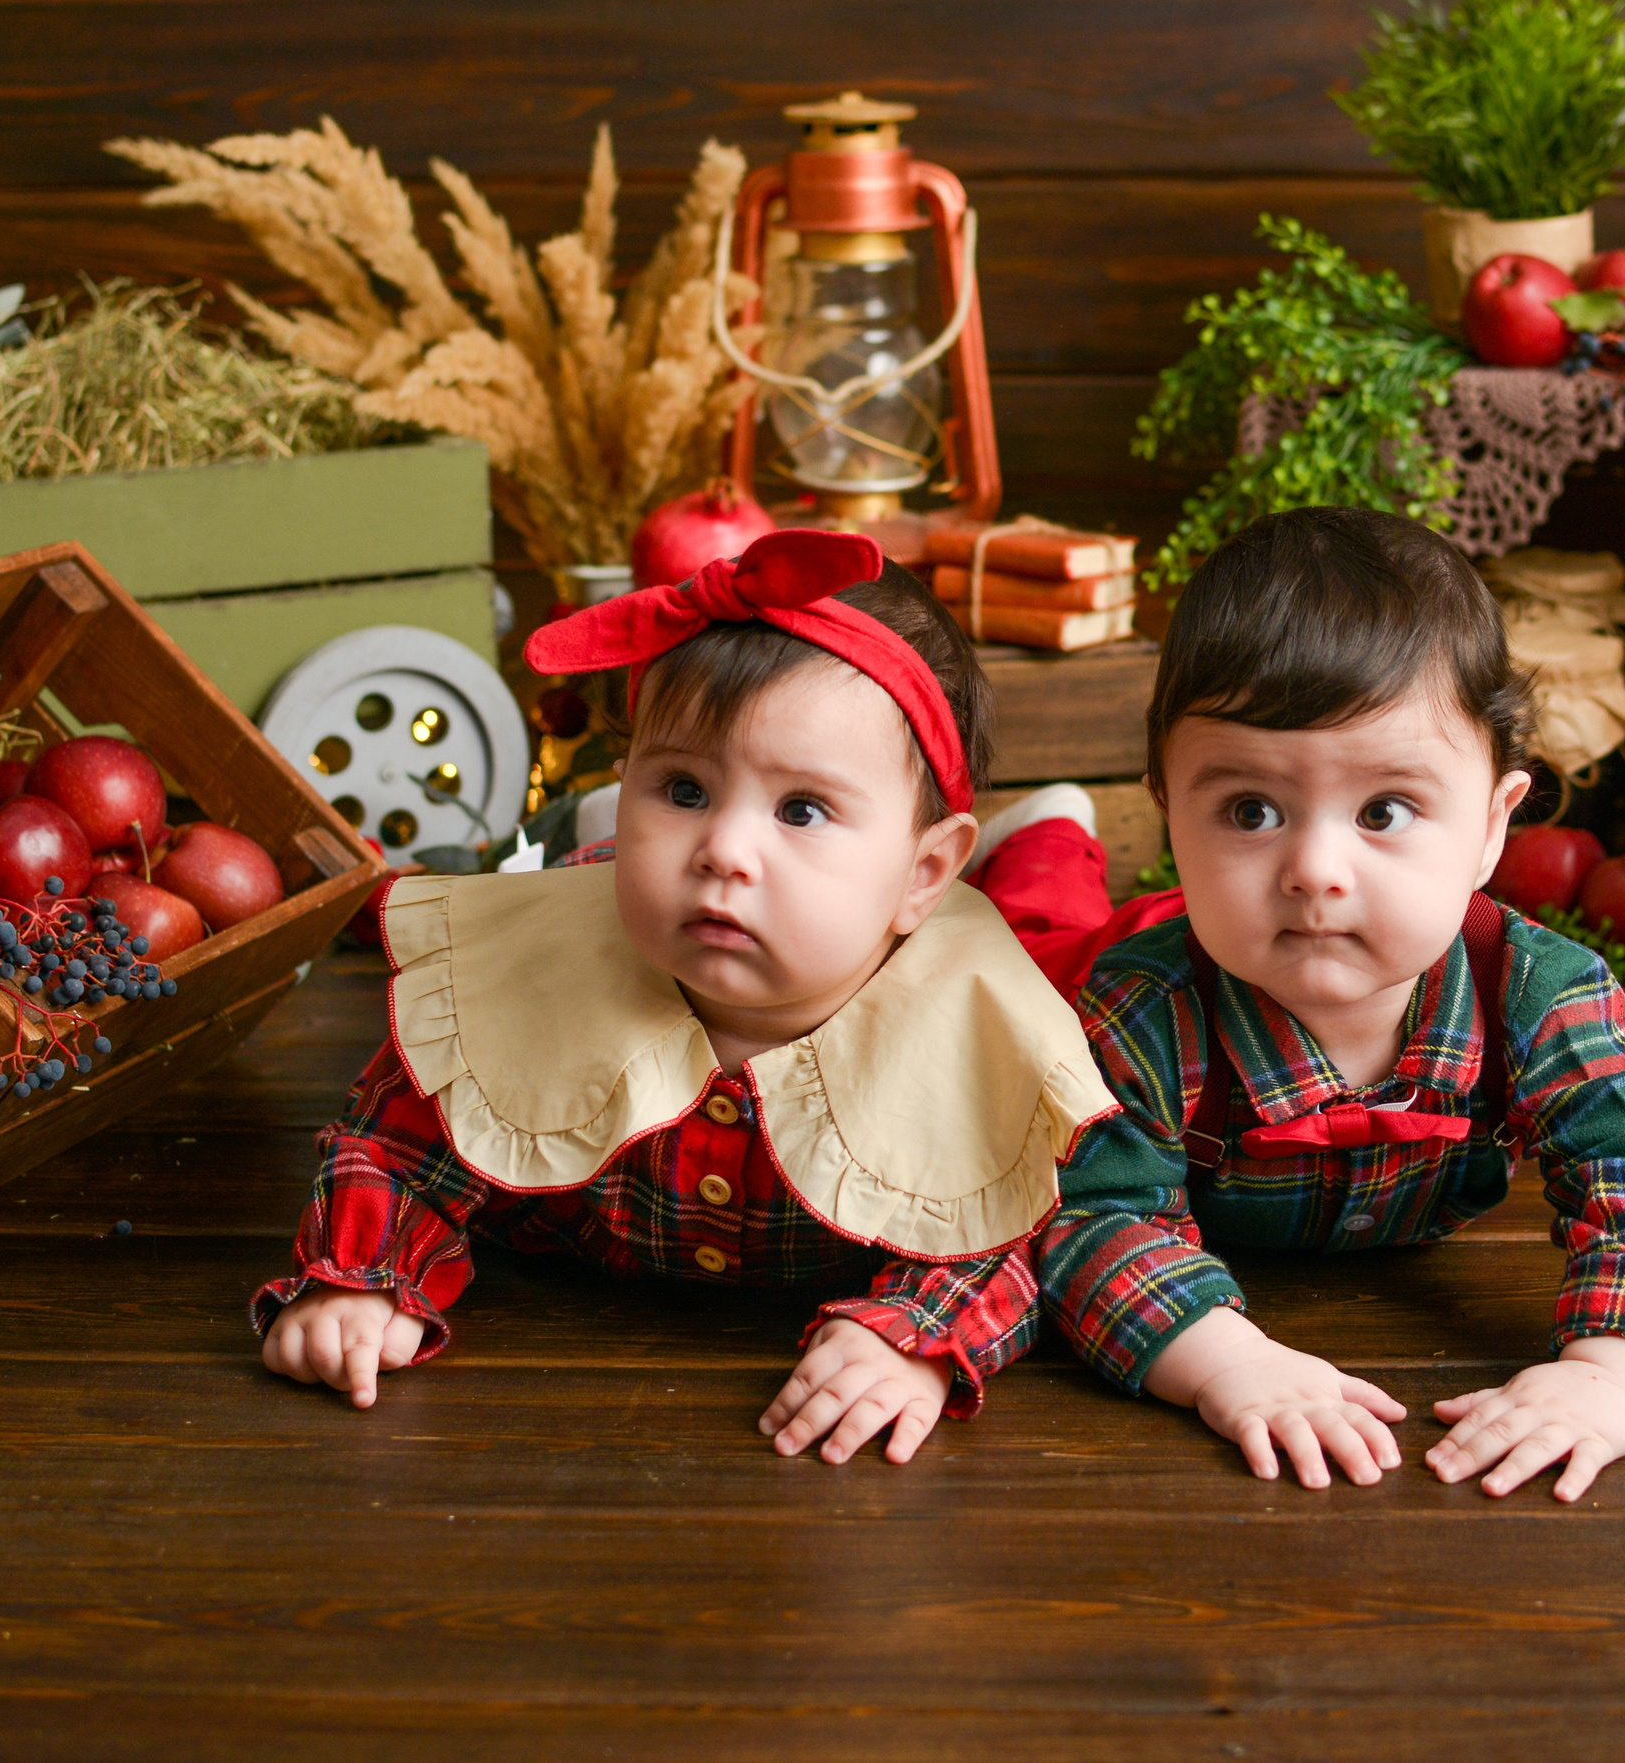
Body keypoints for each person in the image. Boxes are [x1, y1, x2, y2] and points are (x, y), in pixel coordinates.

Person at [254, 533, 1114, 1466]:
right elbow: (397, 1141)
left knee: (1054, 926)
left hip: (971, 930)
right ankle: (604, 824)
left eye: (801, 809)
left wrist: (912, 1333)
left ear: (923, 871)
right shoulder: (536, 975)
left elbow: (1018, 1217)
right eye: (684, 789)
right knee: (588, 885)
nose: (725, 851)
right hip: (608, 888)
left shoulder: (964, 1022)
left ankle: (1046, 833)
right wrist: (362, 1275)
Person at [997, 507, 1625, 1497]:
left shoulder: (1538, 995)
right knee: (1017, 942)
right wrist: (1226, 1360)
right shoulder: (1133, 1012)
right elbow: (1091, 1218)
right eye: (1250, 810)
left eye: (1384, 810)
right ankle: (1041, 842)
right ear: (1169, 810)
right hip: (1121, 953)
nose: (1315, 870)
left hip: (1234, 942)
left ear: (1491, 827)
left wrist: (1611, 1373)